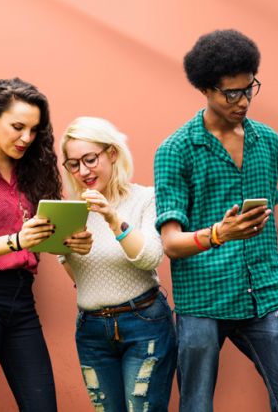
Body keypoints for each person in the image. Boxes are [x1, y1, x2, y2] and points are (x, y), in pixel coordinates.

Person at [154, 29, 278, 412]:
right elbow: (170, 244)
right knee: (196, 405)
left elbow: (269, 228)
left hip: (265, 294)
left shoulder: (269, 142)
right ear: (206, 90)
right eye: (232, 93)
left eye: (249, 89)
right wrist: (218, 234)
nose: (243, 101)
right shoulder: (175, 150)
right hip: (202, 301)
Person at [0, 78, 93, 412]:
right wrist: (16, 241)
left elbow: (48, 239)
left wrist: (72, 243)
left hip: (21, 301)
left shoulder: (33, 173)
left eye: (34, 130)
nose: (26, 138)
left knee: (42, 406)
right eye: (18, 127)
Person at [59, 117, 177, 412]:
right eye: (73, 164)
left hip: (144, 324)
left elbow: (152, 257)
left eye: (89, 159)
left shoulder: (146, 198)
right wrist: (63, 248)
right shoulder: (72, 211)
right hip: (91, 329)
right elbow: (77, 274)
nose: (83, 171)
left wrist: (113, 219)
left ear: (112, 153)